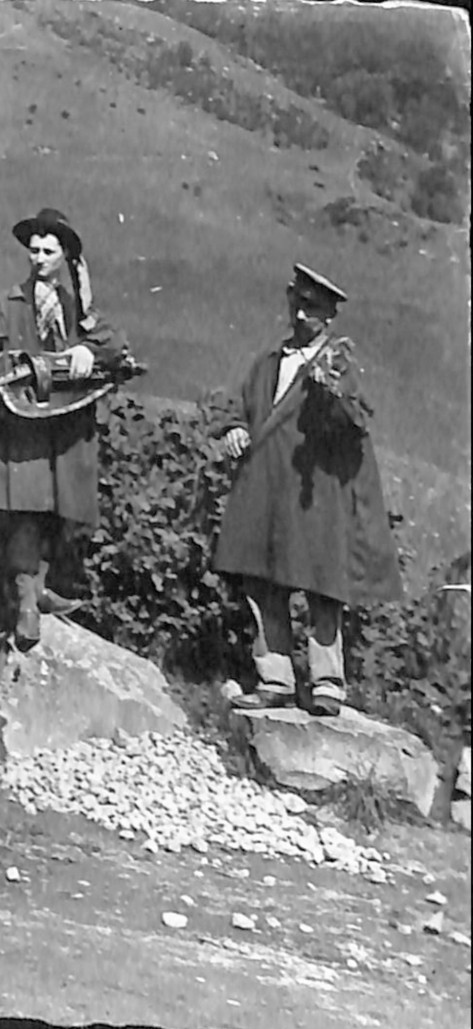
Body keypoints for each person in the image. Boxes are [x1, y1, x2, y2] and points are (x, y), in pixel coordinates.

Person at [212, 265, 403, 715]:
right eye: (296, 303)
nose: (299, 314)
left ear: (329, 317)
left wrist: (332, 392)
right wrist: (236, 429)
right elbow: (242, 409)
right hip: (266, 485)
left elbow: (356, 425)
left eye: (311, 308)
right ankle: (275, 676)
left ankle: (327, 684)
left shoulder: (338, 366)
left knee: (322, 583)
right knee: (262, 578)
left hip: (315, 493)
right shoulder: (269, 363)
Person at [0, 208, 131, 650]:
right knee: (25, 509)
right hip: (21, 426)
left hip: (67, 426)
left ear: (67, 257)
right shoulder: (9, 303)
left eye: (48, 251)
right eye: (33, 250)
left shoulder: (81, 307)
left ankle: (40, 589)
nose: (38, 258)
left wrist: (91, 351)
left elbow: (116, 344)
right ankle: (24, 604)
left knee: (60, 509)